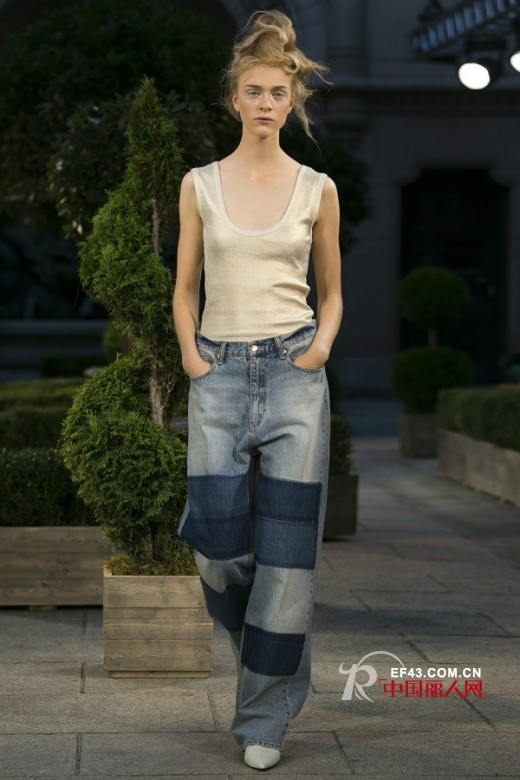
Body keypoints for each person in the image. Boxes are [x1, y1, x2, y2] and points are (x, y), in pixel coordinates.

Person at [172, 8, 343, 771]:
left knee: (287, 560)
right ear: (233, 98)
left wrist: (318, 351)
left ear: (292, 98)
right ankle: (271, 661)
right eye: (254, 90)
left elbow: (332, 291)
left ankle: (264, 720)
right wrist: (192, 357)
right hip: (217, 374)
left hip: (293, 374)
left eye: (279, 91)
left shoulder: (317, 188)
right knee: (216, 550)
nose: (267, 102)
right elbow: (185, 287)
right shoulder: (199, 185)